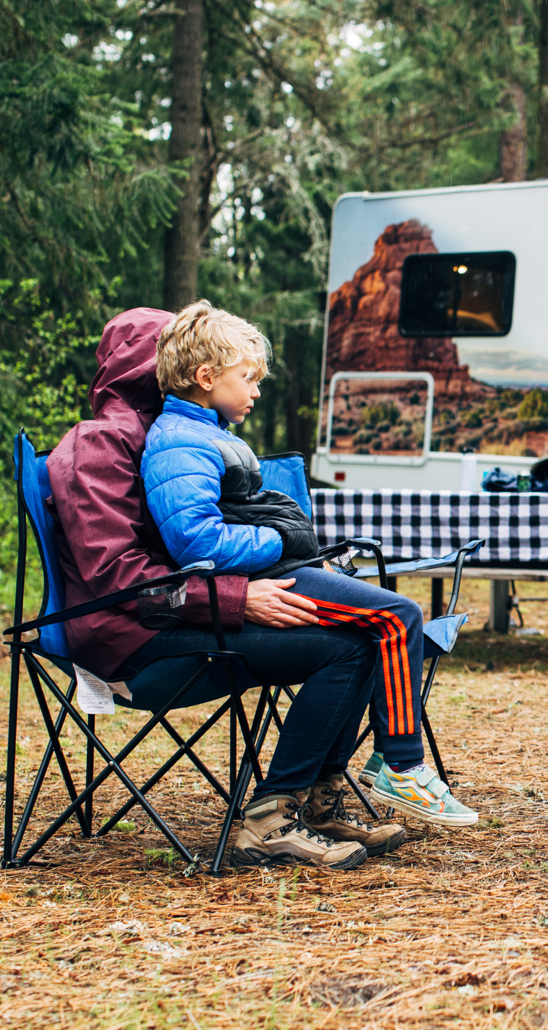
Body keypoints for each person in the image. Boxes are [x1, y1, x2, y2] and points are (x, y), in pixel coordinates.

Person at [139, 301, 478, 846]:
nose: (254, 392)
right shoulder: (179, 441)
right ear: (206, 378)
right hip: (259, 580)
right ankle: (401, 765)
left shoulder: (209, 432)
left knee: (371, 637)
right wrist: (280, 539)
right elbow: (195, 543)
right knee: (398, 617)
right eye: (246, 379)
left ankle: (312, 795)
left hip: (279, 569)